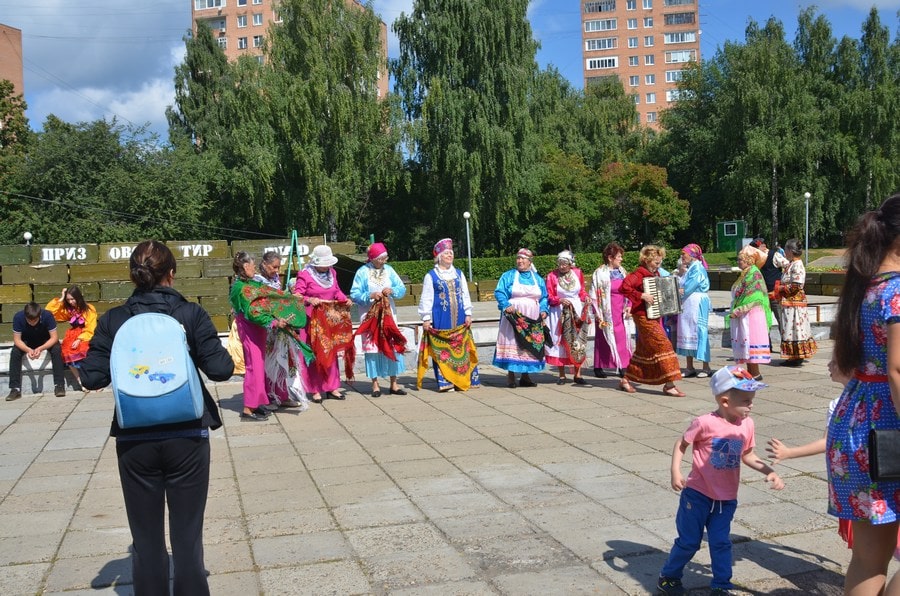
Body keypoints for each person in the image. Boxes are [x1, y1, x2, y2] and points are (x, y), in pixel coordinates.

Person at [79, 240, 234, 596]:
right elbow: (221, 369)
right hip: (187, 435)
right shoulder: (190, 314)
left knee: (146, 539)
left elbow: (92, 377)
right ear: (171, 274)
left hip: (134, 438)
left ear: (133, 276)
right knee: (187, 537)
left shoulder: (114, 319)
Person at [827, 193, 900, 596]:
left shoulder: (864, 285)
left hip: (856, 425)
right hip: (890, 428)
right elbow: (898, 369)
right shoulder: (899, 290)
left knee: (869, 558)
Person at [657, 365, 784, 595]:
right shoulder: (704, 422)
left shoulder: (747, 424)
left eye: (752, 400)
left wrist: (769, 471)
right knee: (689, 542)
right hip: (697, 495)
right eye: (746, 401)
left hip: (726, 499)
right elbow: (681, 444)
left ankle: (721, 585)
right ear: (725, 401)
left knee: (721, 542)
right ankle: (669, 577)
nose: (751, 405)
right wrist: (675, 471)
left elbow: (748, 455)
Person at [230, 252, 306, 419]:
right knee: (254, 367)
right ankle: (248, 408)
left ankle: (257, 402)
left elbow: (269, 297)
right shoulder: (242, 288)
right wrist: (273, 322)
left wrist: (289, 299)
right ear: (245, 267)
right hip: (250, 330)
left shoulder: (248, 284)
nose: (254, 268)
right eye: (252, 265)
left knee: (258, 367)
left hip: (256, 329)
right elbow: (253, 312)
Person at [416, 238, 480, 392]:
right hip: (441, 317)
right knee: (442, 349)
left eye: (451, 253)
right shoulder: (431, 276)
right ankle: (446, 381)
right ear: (439, 257)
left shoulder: (458, 274)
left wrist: (468, 313)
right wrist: (426, 318)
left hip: (460, 317)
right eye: (446, 253)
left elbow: (465, 294)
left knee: (461, 348)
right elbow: (426, 298)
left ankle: (462, 380)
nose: (450, 256)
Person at [620, 245, 684, 396]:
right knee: (664, 345)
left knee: (644, 350)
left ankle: (626, 379)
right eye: (656, 262)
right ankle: (669, 384)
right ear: (646, 260)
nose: (658, 265)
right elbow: (624, 287)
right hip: (642, 316)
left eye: (660, 262)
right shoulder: (638, 274)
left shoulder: (655, 274)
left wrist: (675, 292)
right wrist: (641, 296)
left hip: (654, 315)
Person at [294, 245, 354, 403]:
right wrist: (309, 299)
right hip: (312, 321)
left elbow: (336, 291)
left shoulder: (332, 273)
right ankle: (315, 389)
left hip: (329, 320)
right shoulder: (305, 275)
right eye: (324, 264)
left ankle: (332, 387)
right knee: (315, 353)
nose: (328, 266)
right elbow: (297, 295)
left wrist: (345, 300)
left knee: (330, 351)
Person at [350, 242, 408, 397]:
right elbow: (354, 293)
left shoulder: (389, 270)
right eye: (381, 258)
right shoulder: (362, 272)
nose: (384, 261)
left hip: (388, 314)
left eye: (385, 258)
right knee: (372, 348)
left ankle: (394, 383)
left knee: (391, 344)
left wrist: (392, 290)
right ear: (372, 258)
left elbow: (402, 289)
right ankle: (375, 385)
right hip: (370, 316)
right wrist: (370, 295)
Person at [493, 248, 549, 388]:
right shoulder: (508, 276)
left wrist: (543, 310)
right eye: (518, 258)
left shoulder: (537, 279)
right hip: (514, 315)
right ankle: (511, 376)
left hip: (532, 317)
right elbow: (500, 292)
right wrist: (506, 305)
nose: (520, 261)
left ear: (530, 262)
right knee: (513, 342)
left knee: (529, 344)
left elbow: (544, 297)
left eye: (523, 259)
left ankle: (525, 376)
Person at [5, 302, 67, 400]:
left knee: (56, 349)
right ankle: (15, 388)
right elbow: (17, 340)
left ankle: (59, 385)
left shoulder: (47, 316)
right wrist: (28, 350)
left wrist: (41, 348)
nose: (32, 323)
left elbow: (54, 338)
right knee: (15, 352)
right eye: (29, 320)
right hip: (27, 340)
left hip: (44, 339)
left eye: (35, 320)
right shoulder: (18, 317)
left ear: (39, 315)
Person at [545, 250, 589, 385]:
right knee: (560, 341)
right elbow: (549, 296)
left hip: (576, 309)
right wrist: (559, 300)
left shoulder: (578, 273)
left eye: (564, 263)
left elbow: (581, 291)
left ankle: (578, 374)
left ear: (570, 264)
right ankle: (562, 375)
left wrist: (586, 297)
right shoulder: (552, 276)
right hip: (559, 311)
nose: (562, 266)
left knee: (577, 340)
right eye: (560, 263)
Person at [728, 245, 772, 380]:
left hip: (752, 314)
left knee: (751, 342)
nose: (738, 262)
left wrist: (739, 310)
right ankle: (751, 372)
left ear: (749, 260)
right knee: (746, 343)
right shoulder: (746, 273)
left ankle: (755, 373)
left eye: (740, 259)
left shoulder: (754, 273)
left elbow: (755, 297)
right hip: (746, 314)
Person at [772, 239, 817, 366]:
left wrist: (780, 288)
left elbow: (796, 285)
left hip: (794, 304)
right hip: (790, 303)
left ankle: (796, 356)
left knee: (795, 329)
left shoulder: (797, 265)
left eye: (786, 250)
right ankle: (793, 355)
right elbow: (780, 262)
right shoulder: (791, 263)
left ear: (791, 251)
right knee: (790, 329)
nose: (785, 252)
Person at [591, 242, 633, 379]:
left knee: (621, 336)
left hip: (620, 309)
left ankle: (623, 365)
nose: (621, 259)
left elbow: (629, 290)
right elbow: (594, 293)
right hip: (605, 310)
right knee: (603, 337)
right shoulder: (600, 273)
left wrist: (629, 304)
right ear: (610, 258)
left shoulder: (622, 272)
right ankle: (598, 365)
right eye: (619, 256)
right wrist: (597, 312)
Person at [46, 286, 97, 391]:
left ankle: (94, 381)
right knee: (66, 352)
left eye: (72, 299)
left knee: (85, 350)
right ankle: (81, 382)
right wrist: (61, 298)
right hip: (72, 335)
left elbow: (91, 327)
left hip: (86, 334)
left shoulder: (89, 308)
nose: (70, 302)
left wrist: (80, 339)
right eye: (68, 299)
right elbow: (49, 312)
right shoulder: (68, 310)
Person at [676, 244, 712, 378]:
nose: (682, 256)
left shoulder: (697, 268)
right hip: (688, 304)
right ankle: (689, 366)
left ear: (692, 255)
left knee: (699, 331)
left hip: (697, 303)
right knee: (687, 331)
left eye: (684, 254)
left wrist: (676, 292)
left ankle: (706, 367)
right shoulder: (691, 268)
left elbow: (688, 287)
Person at [751, 238, 785, 351]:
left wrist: (782, 282)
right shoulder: (756, 259)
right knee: (764, 320)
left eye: (756, 249)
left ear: (763, 246)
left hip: (775, 294)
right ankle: (766, 345)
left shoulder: (774, 255)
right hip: (762, 295)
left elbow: (788, 265)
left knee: (781, 320)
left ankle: (785, 345)